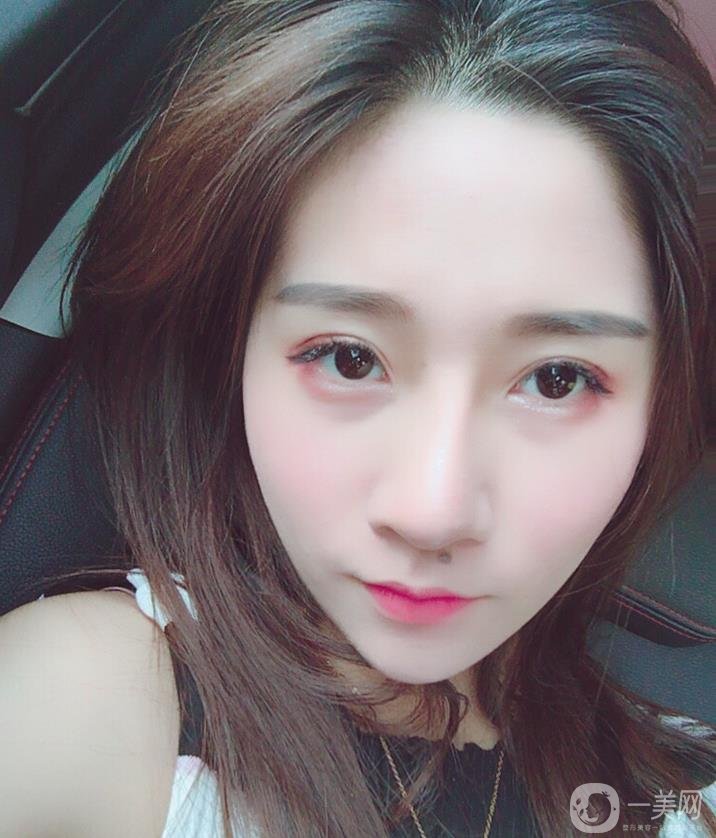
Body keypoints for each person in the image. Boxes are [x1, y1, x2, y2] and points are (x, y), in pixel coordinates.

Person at [0, 0, 714, 835]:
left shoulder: (670, 785)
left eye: (557, 379)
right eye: (348, 358)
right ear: (233, 355)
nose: (431, 512)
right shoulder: (82, 708)